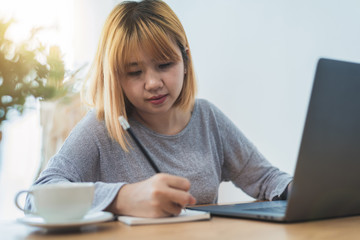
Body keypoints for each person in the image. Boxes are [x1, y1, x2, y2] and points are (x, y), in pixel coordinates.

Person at [30, 0, 292, 218]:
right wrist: (121, 198)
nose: (153, 83)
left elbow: (267, 179)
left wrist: (301, 189)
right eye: (134, 72)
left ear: (186, 60)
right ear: (116, 78)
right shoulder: (102, 127)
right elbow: (37, 197)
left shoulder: (208, 119)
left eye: (165, 65)